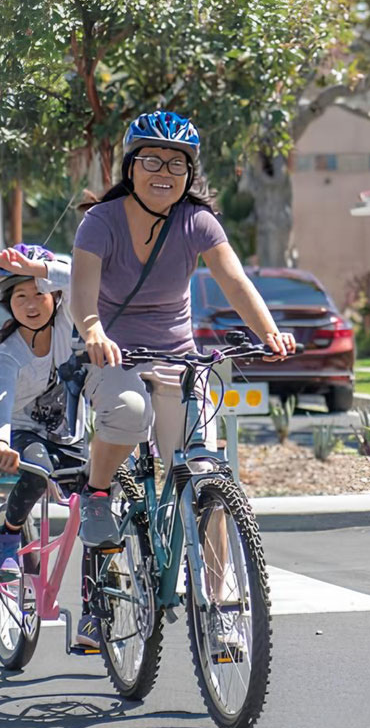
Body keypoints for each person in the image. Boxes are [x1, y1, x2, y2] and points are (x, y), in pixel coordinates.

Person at [70, 111, 295, 653]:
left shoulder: (197, 222)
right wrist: (95, 331)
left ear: (190, 172)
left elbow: (236, 281)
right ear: (132, 166)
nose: (164, 171)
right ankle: (98, 492)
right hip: (115, 352)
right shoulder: (100, 221)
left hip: (177, 356)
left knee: (206, 473)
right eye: (152, 160)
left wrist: (268, 331)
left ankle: (218, 610)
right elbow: (81, 294)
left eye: (177, 163)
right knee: (127, 411)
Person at [0, 243, 103, 649]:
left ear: (55, 298)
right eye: (20, 296)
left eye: (38, 294)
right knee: (35, 474)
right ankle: (9, 536)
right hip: (23, 434)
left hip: (67, 435)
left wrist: (38, 267)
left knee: (99, 507)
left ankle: (94, 610)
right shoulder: (10, 353)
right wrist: (0, 442)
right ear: (8, 304)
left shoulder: (69, 322)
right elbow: (0, 402)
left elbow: (78, 277)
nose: (31, 304)